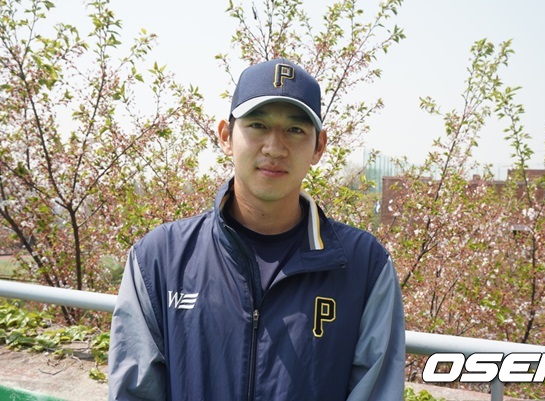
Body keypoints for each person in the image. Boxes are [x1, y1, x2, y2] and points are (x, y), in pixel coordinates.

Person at [108, 58, 405, 401]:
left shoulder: (365, 266)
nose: (274, 148)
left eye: (295, 130)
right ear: (226, 136)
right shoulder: (159, 259)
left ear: (319, 146)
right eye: (258, 125)